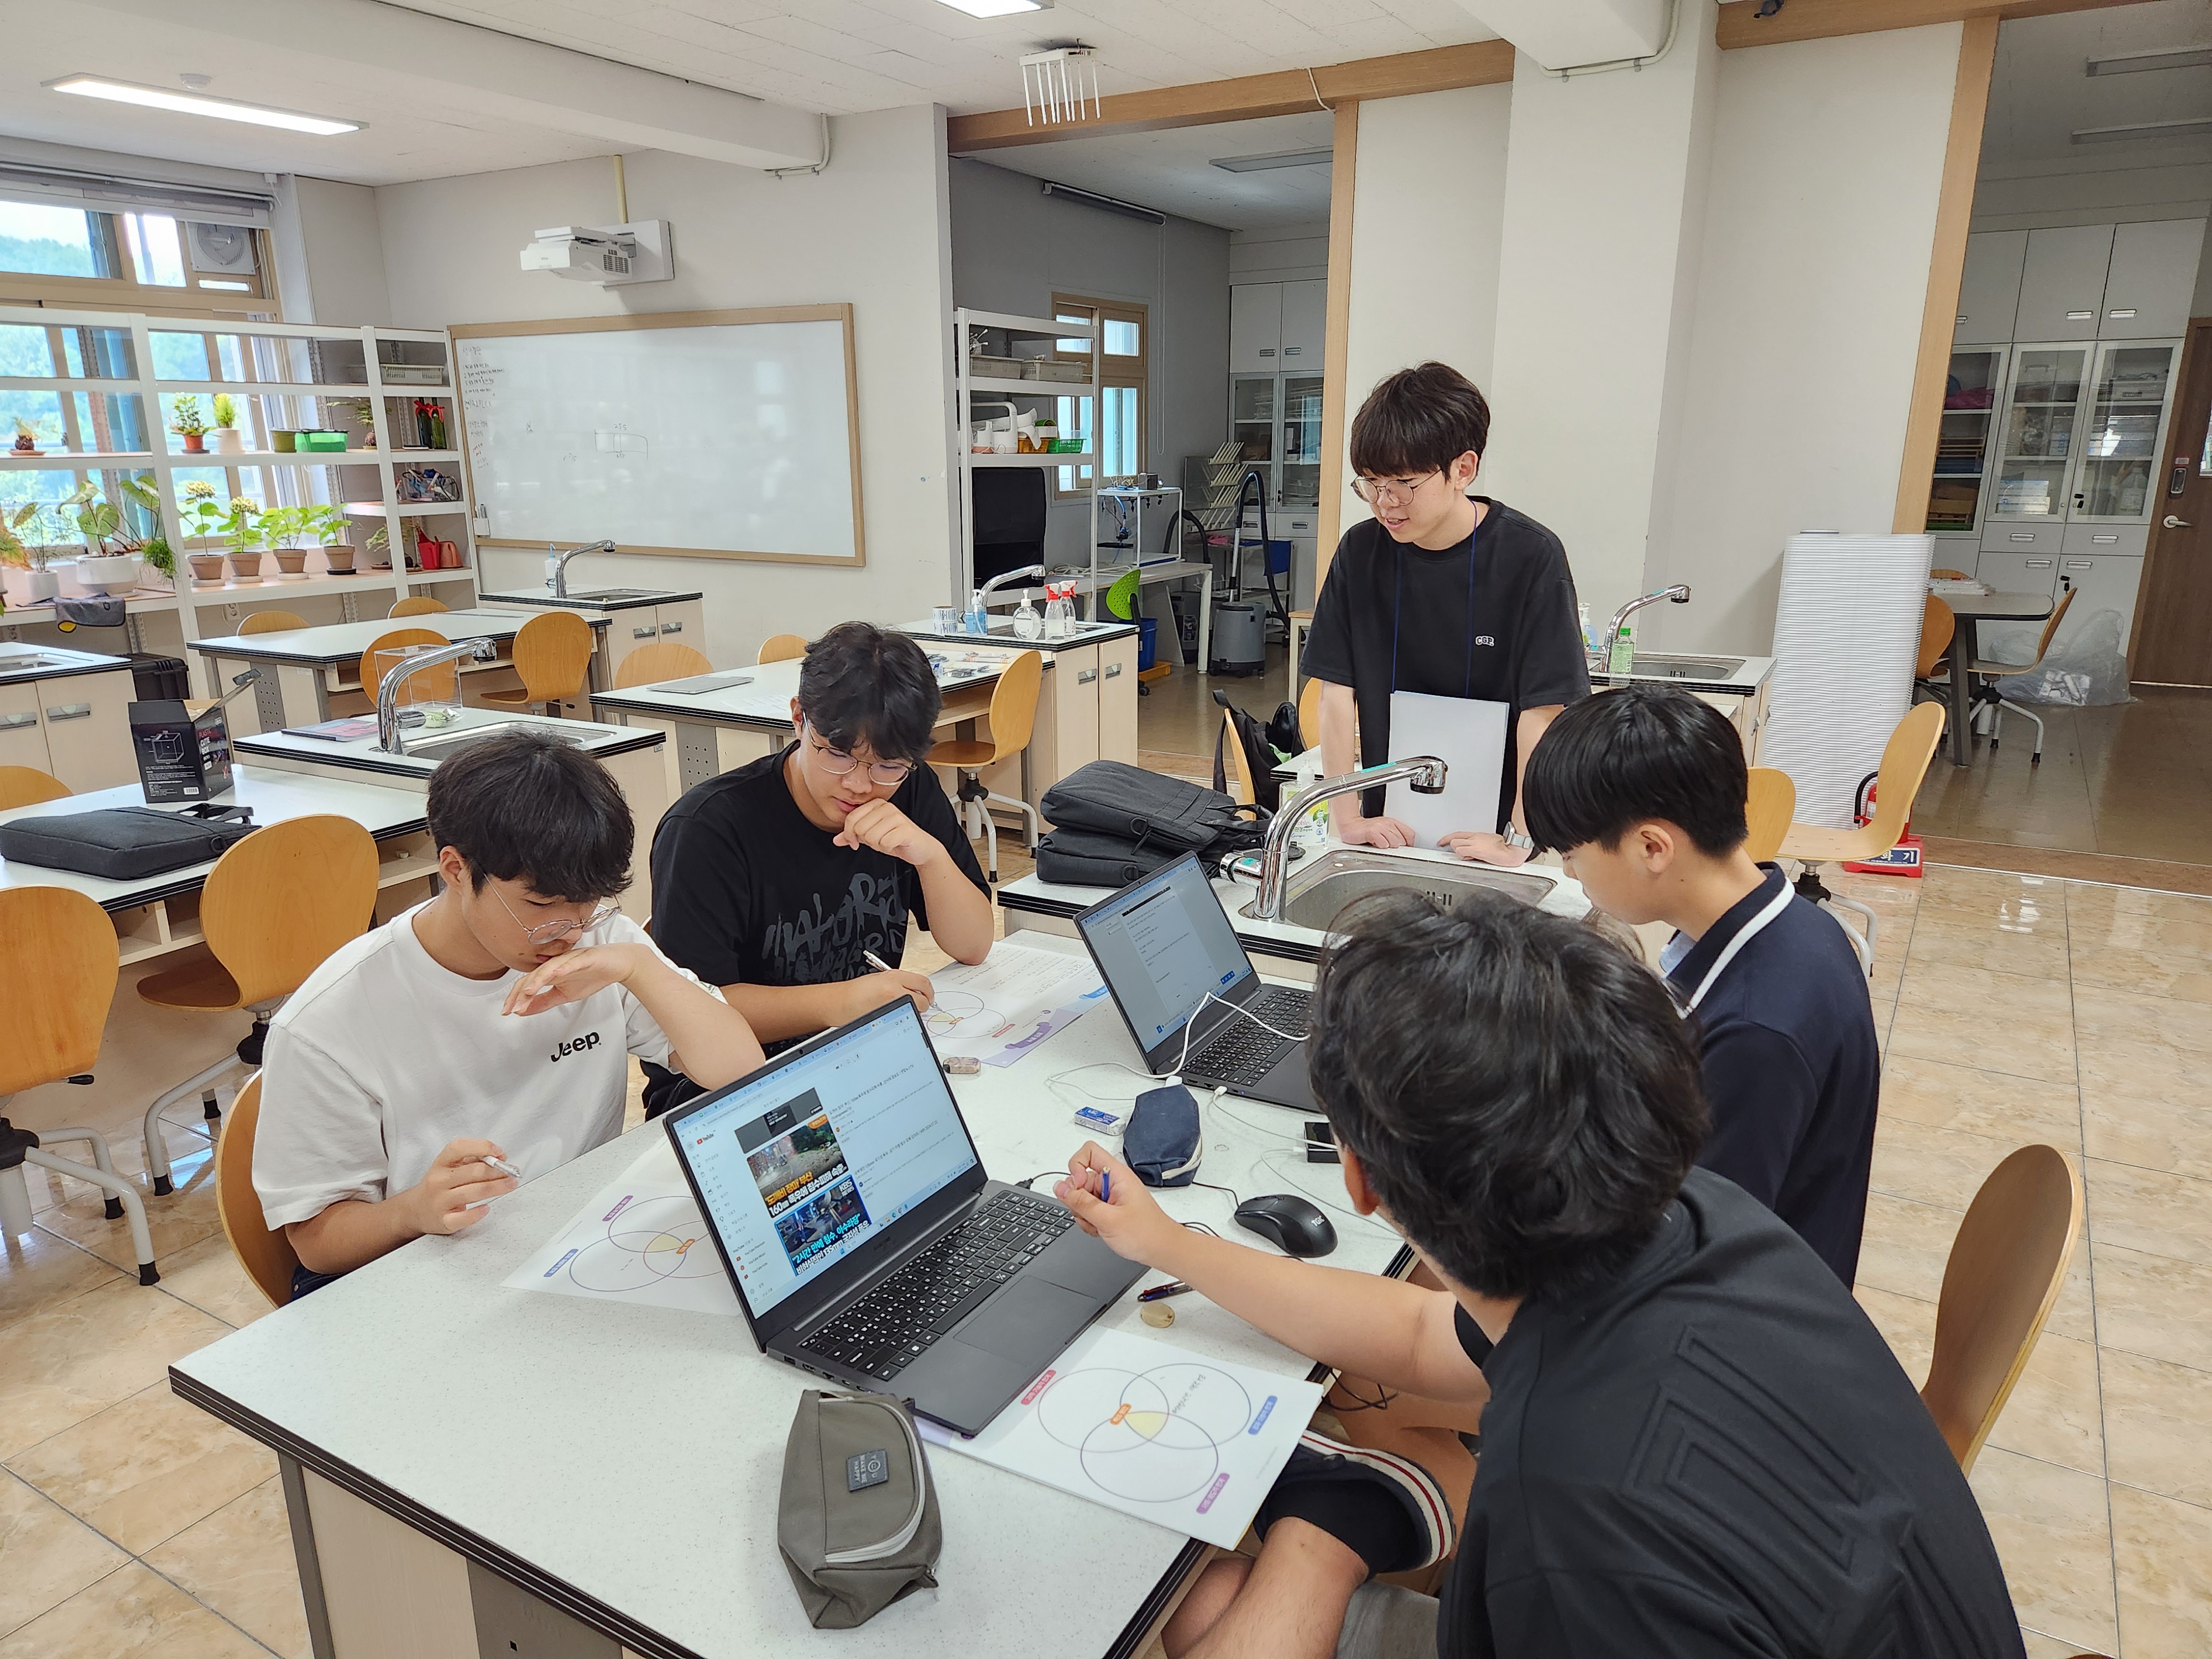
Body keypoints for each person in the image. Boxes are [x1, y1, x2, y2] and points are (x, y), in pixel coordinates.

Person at [1055, 892, 2023, 1659]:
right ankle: (1327, 1528)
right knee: (1222, 1588)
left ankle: (1320, 1531)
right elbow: (1423, 1336)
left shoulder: (1569, 1534)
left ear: (1356, 1177)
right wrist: (1171, 1245)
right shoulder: (1702, 1222)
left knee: (1206, 1600)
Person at [254, 731, 765, 1297]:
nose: (568, 931)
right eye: (540, 906)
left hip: (565, 1240)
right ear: (454, 869)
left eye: (588, 903)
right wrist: (410, 1211)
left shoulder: (598, 946)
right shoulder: (331, 1020)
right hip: (413, 1266)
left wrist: (640, 970)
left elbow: (739, 1070)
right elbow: (316, 1243)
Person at [1521, 684, 1880, 1286]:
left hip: (1735, 1328)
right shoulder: (1801, 928)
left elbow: (1686, 1260)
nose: (1567, 871)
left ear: (1651, 847)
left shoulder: (1755, 1031)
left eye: (1572, 854)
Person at [643, 622, 993, 1115]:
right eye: (837, 755)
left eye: (887, 765)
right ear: (798, 720)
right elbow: (689, 1013)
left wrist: (929, 855)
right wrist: (841, 1003)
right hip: (727, 1093)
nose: (860, 785)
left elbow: (973, 945)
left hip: (858, 1061)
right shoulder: (709, 829)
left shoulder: (910, 789)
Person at [1300, 362, 1589, 868]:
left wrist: (1520, 838)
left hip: (1498, 830)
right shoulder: (1361, 552)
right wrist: (1348, 818)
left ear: (1463, 469)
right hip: (1386, 823)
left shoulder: (1529, 556)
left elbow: (1542, 713)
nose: (1385, 503)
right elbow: (1336, 695)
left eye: (1404, 483)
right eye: (1370, 484)